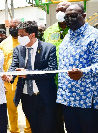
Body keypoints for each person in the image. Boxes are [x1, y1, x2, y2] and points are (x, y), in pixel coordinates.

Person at [2, 21, 57, 133]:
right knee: (34, 127)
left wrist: (28, 73)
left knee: (47, 128)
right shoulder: (18, 49)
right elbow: (14, 65)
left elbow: (51, 71)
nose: (19, 37)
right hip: (27, 98)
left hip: (44, 97)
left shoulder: (48, 48)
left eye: (22, 35)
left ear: (32, 35)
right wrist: (10, 75)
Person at [57, 4, 98, 133]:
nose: (69, 19)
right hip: (67, 99)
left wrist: (83, 72)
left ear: (84, 16)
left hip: (86, 99)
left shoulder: (94, 36)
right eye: (66, 16)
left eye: (73, 16)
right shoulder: (67, 37)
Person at [0, 18, 32, 133]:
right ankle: (14, 130)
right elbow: (0, 65)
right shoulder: (3, 44)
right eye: (11, 26)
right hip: (9, 83)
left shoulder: (26, 41)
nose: (13, 28)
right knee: (12, 110)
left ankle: (29, 130)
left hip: (25, 80)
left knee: (28, 108)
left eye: (15, 26)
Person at [43, 2, 71, 133]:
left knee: (72, 120)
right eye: (57, 10)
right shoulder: (49, 31)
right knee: (54, 120)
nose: (60, 13)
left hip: (72, 85)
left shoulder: (75, 29)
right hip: (52, 84)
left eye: (63, 10)